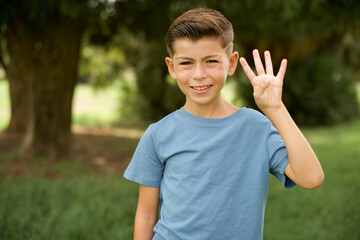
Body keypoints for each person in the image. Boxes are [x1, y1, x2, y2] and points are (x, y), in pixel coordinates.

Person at [123, 8, 324, 240]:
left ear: (231, 63)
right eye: (187, 63)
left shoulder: (255, 127)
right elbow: (146, 216)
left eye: (210, 61)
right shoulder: (157, 135)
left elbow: (311, 178)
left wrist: (275, 109)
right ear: (172, 67)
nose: (199, 74)